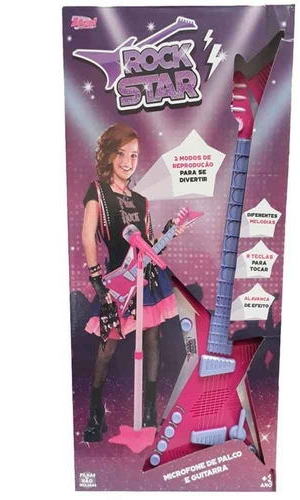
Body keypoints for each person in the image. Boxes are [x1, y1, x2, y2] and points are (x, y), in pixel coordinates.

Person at [81, 123, 185, 442]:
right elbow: (88, 235)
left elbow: (150, 247)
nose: (128, 161)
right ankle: (96, 415)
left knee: (152, 340)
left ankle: (150, 413)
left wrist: (169, 231)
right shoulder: (97, 191)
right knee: (106, 348)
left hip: (147, 281)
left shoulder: (141, 201)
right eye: (121, 153)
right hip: (116, 282)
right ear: (109, 155)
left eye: (134, 155)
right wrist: (96, 279)